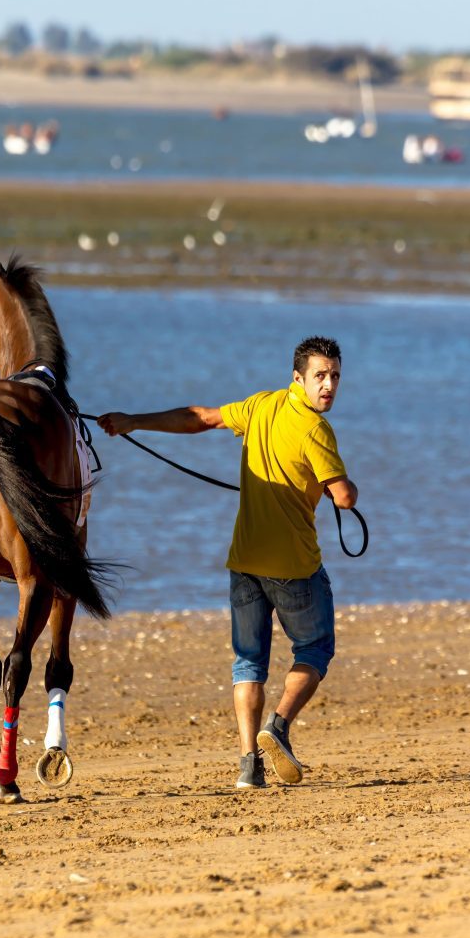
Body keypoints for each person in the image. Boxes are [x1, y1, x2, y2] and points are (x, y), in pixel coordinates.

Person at [97, 336, 357, 790]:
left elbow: (200, 418)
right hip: (294, 566)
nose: (329, 385)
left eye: (334, 376)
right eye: (320, 376)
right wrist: (342, 487)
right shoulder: (317, 429)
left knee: (248, 663)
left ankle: (247, 766)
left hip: (243, 561)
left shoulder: (260, 406)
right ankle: (276, 727)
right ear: (298, 378)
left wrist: (132, 421)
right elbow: (344, 496)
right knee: (315, 649)